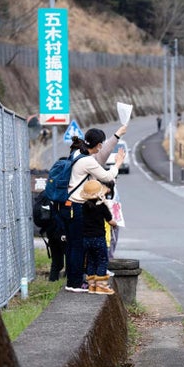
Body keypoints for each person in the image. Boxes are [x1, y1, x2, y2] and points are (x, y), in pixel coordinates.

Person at [59, 125, 127, 293]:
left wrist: (117, 134)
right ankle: (74, 283)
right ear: (97, 145)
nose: (101, 147)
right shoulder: (87, 161)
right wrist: (118, 163)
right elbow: (107, 176)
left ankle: (75, 280)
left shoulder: (77, 154)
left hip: (69, 206)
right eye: (101, 144)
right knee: (77, 246)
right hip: (77, 206)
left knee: (75, 245)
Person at [81, 180, 117, 295]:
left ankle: (91, 285)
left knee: (91, 260)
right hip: (98, 238)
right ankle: (101, 286)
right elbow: (110, 221)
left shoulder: (83, 207)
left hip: (86, 239)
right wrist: (115, 224)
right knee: (102, 260)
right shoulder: (101, 207)